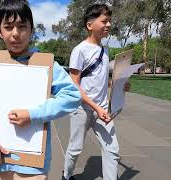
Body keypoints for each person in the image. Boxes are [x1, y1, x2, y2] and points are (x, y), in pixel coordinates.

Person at [0, 1, 81, 179]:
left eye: (22, 27)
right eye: (8, 27)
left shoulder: (47, 64)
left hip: (33, 164)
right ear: (0, 32)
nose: (16, 34)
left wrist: (33, 114)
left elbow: (72, 96)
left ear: (32, 30)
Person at [62, 4, 131, 180]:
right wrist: (95, 107)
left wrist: (118, 85)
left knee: (112, 150)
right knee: (75, 148)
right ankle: (67, 175)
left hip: (102, 110)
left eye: (110, 21)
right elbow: (74, 85)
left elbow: (99, 79)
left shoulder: (105, 51)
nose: (108, 25)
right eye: (104, 21)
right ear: (89, 24)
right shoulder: (79, 50)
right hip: (82, 109)